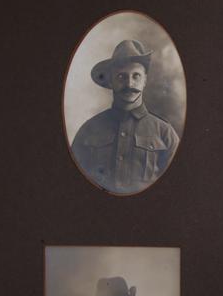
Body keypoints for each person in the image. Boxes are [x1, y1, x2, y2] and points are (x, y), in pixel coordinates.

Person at [71, 40, 180, 194]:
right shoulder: (89, 130)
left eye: (136, 76)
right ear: (110, 81)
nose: (129, 83)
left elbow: (176, 189)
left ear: (145, 81)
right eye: (121, 76)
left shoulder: (165, 133)